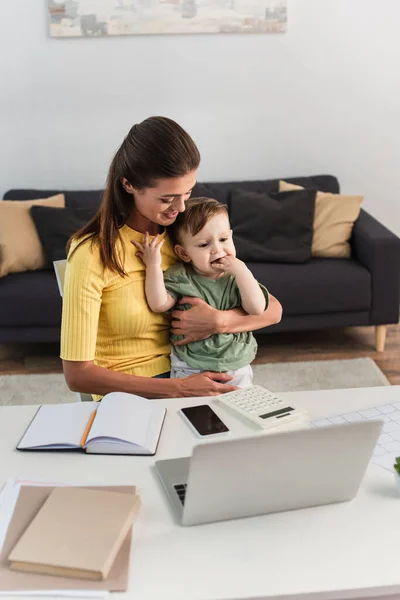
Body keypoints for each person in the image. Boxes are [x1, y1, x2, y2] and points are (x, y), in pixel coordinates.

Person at [60, 116, 282, 399]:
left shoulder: (185, 237)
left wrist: (220, 322)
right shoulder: (92, 253)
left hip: (195, 376)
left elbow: (273, 310)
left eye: (187, 192)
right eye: (167, 198)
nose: (181, 207)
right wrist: (180, 388)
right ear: (128, 185)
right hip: (132, 396)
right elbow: (77, 375)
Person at [133, 197, 268, 387]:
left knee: (238, 410)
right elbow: (158, 304)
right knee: (189, 411)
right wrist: (153, 265)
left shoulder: (237, 276)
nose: (217, 249)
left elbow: (257, 308)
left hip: (236, 363)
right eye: (204, 245)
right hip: (190, 365)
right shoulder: (181, 276)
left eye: (223, 239)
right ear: (184, 253)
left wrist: (241, 270)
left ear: (231, 236)